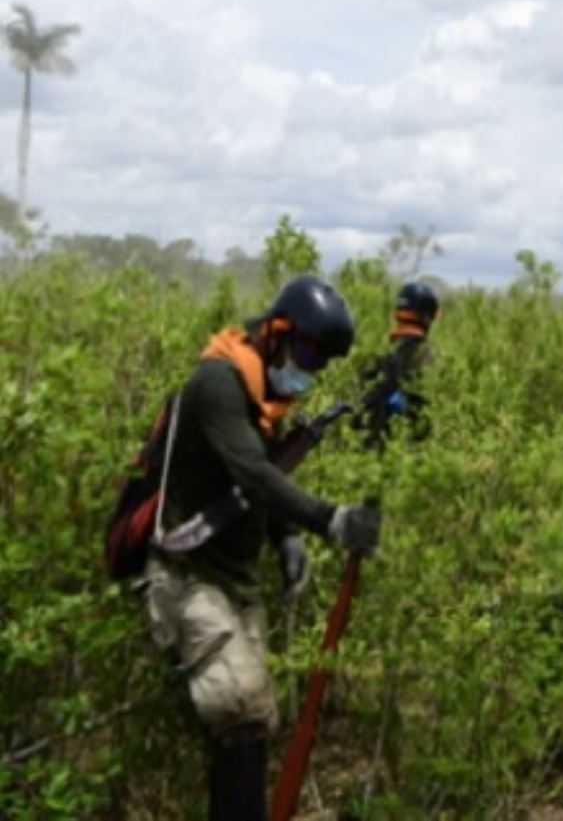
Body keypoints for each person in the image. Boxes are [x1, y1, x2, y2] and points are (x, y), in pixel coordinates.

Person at [143, 274, 382, 821]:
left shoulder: (264, 397)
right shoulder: (218, 386)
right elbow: (252, 474)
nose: (307, 369)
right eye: (303, 351)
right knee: (242, 709)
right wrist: (330, 520)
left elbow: (258, 480)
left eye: (318, 362)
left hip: (235, 581)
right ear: (276, 330)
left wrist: (285, 537)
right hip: (188, 576)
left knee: (250, 724)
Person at [357, 281, 438, 448]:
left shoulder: (381, 351)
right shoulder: (425, 353)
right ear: (427, 317)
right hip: (402, 445)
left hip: (369, 440)